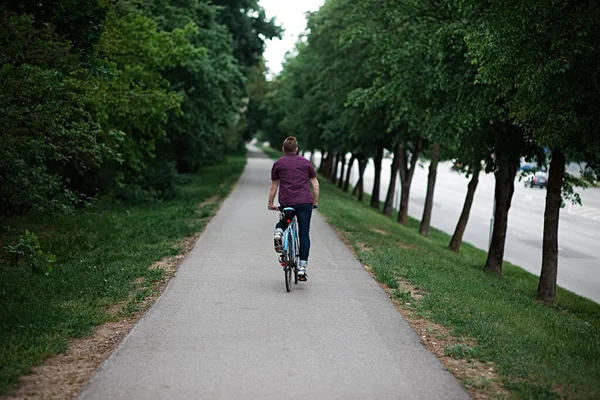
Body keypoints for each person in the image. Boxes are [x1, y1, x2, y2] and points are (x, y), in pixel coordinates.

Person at [267, 137, 320, 281]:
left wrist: (270, 203)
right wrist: (314, 202)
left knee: (285, 220)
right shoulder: (306, 163)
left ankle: (279, 233)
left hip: (286, 202)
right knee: (304, 233)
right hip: (304, 204)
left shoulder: (278, 164)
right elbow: (315, 185)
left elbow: (274, 186)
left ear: (283, 149)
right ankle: (302, 268)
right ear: (297, 149)